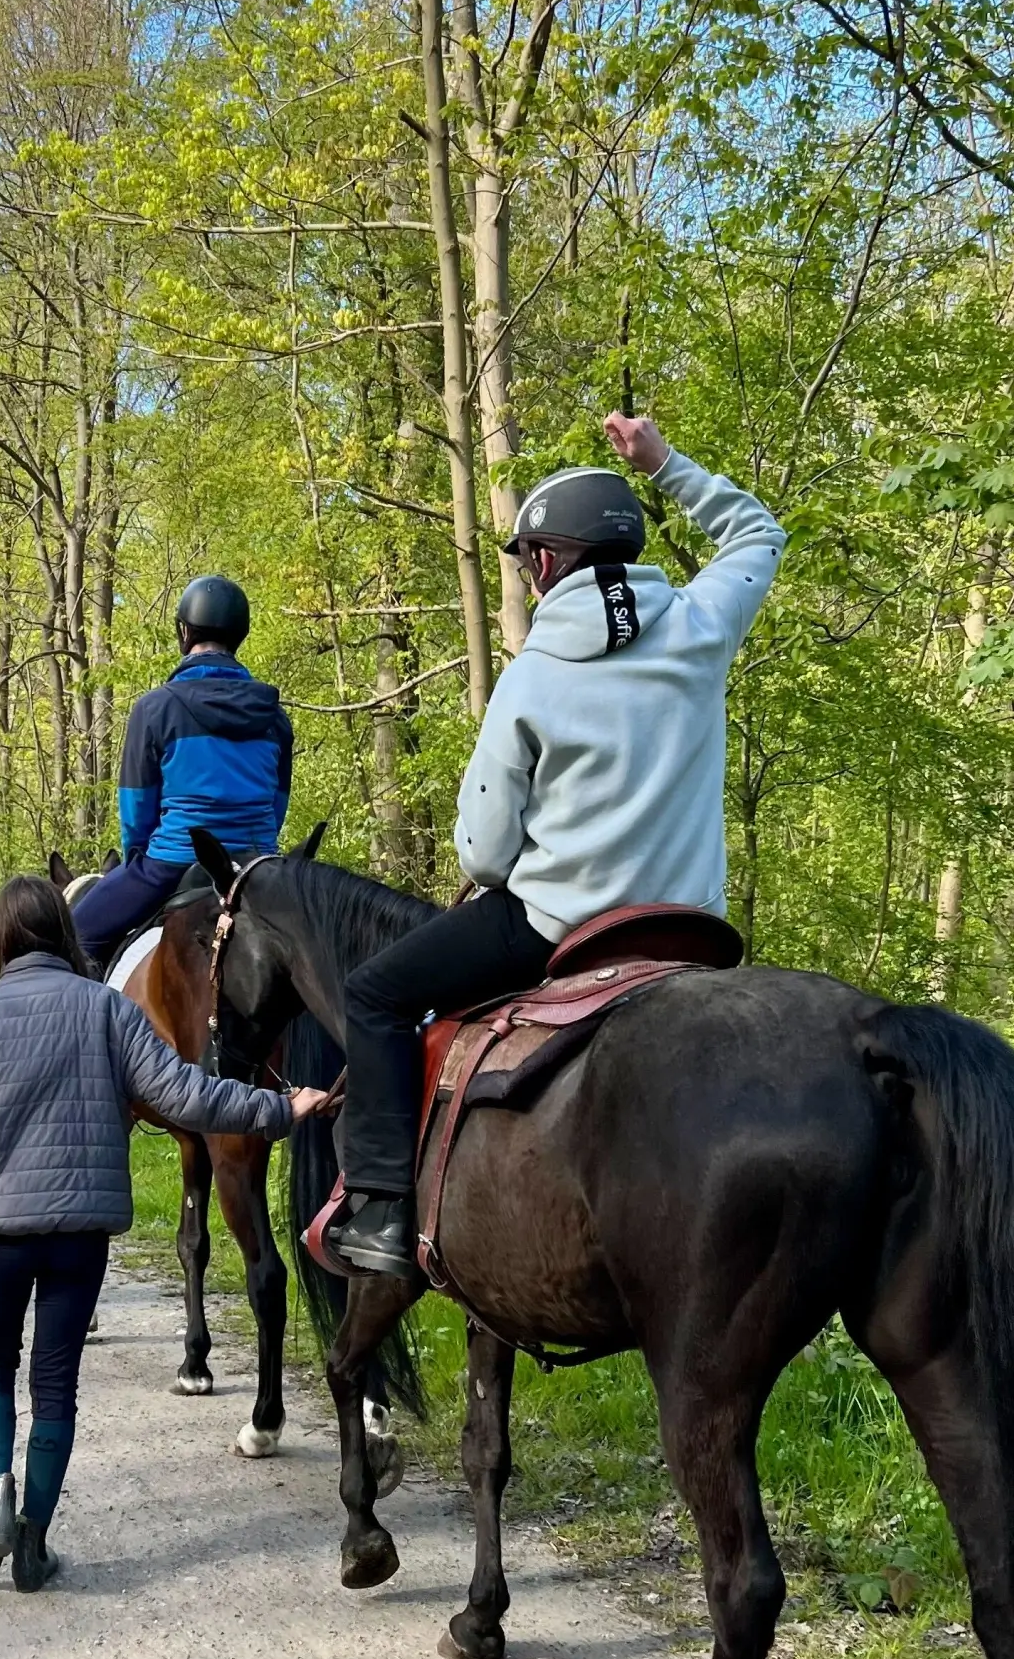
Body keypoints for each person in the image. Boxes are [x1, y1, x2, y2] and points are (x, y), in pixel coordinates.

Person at [331, 412, 787, 1280]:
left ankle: (382, 1213)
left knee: (376, 994)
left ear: (546, 563)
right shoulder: (699, 628)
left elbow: (482, 855)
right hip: (690, 932)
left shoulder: (533, 674)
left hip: (555, 930)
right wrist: (665, 460)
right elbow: (758, 533)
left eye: (527, 560)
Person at [0, 874, 333, 1593]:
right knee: (56, 1382)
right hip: (79, 1231)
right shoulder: (105, 1011)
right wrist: (283, 1107)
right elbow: (188, 1094)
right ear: (65, 935)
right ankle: (33, 1538)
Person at [72, 575, 292, 968]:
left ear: (185, 632)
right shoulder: (274, 717)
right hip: (260, 865)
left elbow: (136, 809)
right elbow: (277, 806)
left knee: (73, 935)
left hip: (173, 862)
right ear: (239, 635)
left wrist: (138, 863)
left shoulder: (155, 709)